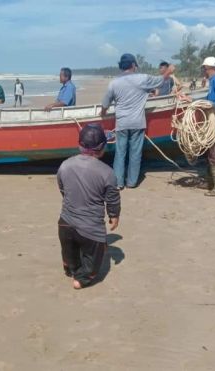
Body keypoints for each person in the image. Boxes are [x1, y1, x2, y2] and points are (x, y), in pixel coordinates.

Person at [57, 124, 120, 289]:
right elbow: (112, 198)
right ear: (101, 148)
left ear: (80, 145)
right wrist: (114, 216)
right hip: (91, 229)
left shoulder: (65, 165)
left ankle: (70, 267)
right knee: (94, 254)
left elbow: (63, 188)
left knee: (68, 249)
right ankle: (81, 279)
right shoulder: (107, 172)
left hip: (65, 222)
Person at [100, 53, 174, 190]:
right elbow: (160, 80)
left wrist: (102, 114)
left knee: (120, 153)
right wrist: (169, 70)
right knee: (135, 153)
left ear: (121, 66)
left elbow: (105, 104)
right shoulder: (142, 79)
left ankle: (118, 183)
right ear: (133, 65)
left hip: (121, 123)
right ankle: (132, 182)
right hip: (137, 123)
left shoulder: (114, 83)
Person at [185, 57, 215, 196]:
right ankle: (210, 182)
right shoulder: (214, 81)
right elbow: (210, 99)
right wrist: (193, 100)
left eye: (203, 68)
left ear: (208, 68)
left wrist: (210, 105)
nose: (203, 71)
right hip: (214, 123)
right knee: (210, 153)